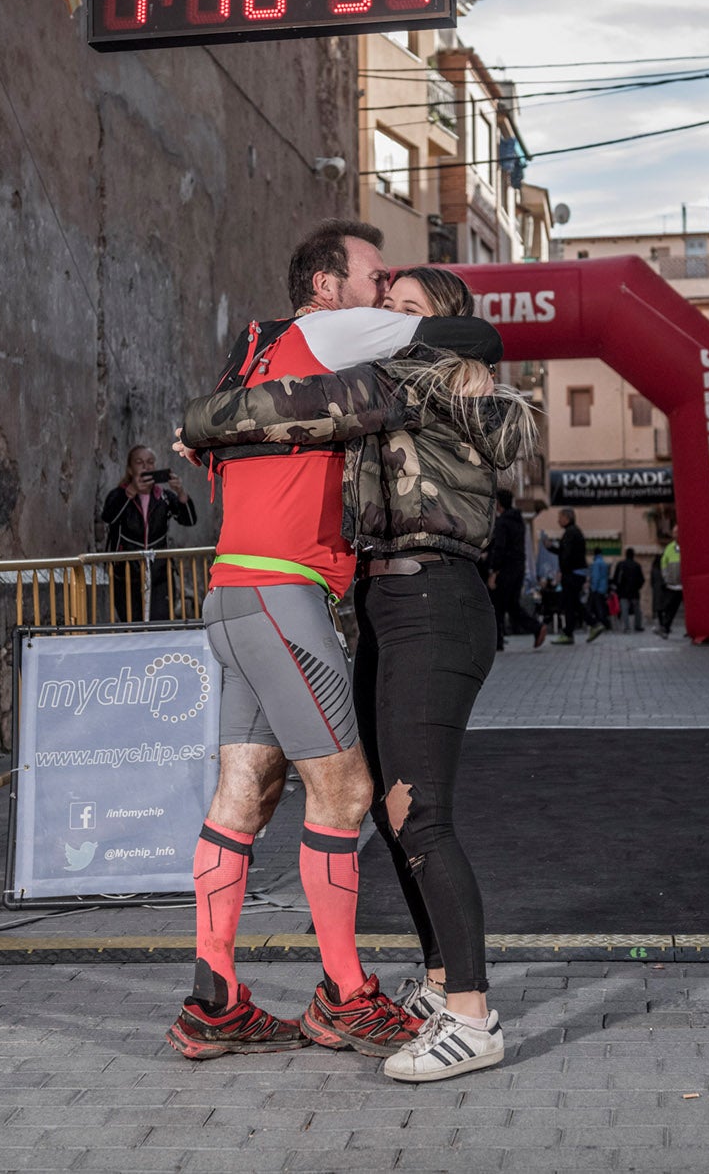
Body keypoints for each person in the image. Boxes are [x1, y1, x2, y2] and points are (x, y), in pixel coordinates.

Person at [183, 264, 537, 1082]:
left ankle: (470, 1014)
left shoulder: (414, 385)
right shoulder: (390, 386)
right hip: (382, 601)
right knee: (386, 808)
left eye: (404, 308)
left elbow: (297, 407)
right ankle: (439, 982)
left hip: (432, 600)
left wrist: (206, 421)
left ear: (434, 326)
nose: (385, 315)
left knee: (417, 814)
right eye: (383, 303)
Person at [99, 444, 196, 620]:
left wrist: (180, 492)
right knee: (132, 624)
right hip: (127, 573)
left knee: (160, 622)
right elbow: (109, 517)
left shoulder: (163, 497)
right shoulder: (119, 495)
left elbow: (189, 520)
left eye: (150, 462)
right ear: (130, 468)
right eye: (139, 462)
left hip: (159, 573)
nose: (146, 466)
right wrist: (131, 491)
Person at [485, 489, 543, 650]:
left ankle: (497, 641)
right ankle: (536, 628)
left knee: (497, 605)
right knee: (512, 605)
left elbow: (500, 548)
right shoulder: (519, 522)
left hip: (505, 569)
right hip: (518, 567)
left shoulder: (502, 522)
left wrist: (493, 571)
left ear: (499, 503)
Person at [550, 509, 588, 644]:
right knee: (572, 602)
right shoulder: (574, 532)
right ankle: (571, 632)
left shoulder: (570, 533)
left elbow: (566, 554)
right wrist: (550, 548)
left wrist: (563, 571)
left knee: (570, 603)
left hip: (572, 573)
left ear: (567, 518)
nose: (558, 521)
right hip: (576, 572)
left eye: (560, 517)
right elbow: (563, 551)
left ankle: (592, 624)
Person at [653, 531, 683, 638]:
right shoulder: (669, 548)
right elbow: (664, 563)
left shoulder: (688, 546)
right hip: (672, 585)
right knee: (670, 608)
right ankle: (665, 628)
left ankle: (693, 630)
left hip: (685, 586)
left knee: (692, 610)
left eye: (678, 533)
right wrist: (666, 578)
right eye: (675, 534)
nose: (676, 535)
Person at [613, 547, 646, 634]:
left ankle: (626, 627)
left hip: (623, 592)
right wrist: (638, 587)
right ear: (633, 555)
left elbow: (616, 578)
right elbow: (642, 579)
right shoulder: (637, 565)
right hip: (634, 591)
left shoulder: (621, 565)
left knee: (624, 610)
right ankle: (637, 626)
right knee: (637, 609)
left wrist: (618, 589)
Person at [586, 549, 612, 640]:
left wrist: (593, 588)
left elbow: (596, 577)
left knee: (597, 608)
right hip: (603, 588)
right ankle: (605, 624)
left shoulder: (596, 563)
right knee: (601, 607)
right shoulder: (604, 563)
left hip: (597, 589)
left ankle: (601, 624)